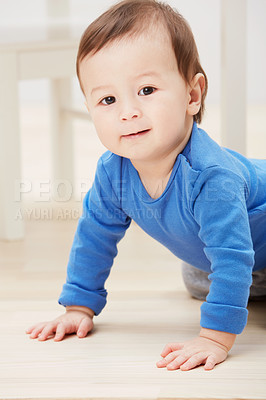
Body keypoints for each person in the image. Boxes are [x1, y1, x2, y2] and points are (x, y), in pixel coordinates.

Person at [26, 0, 266, 371]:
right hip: (225, 253)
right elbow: (94, 237)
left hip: (246, 245)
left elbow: (233, 256)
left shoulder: (211, 176)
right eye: (108, 99)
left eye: (147, 90)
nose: (127, 112)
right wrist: (79, 305)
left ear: (192, 95)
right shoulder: (113, 173)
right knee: (200, 279)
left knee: (228, 269)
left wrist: (215, 337)